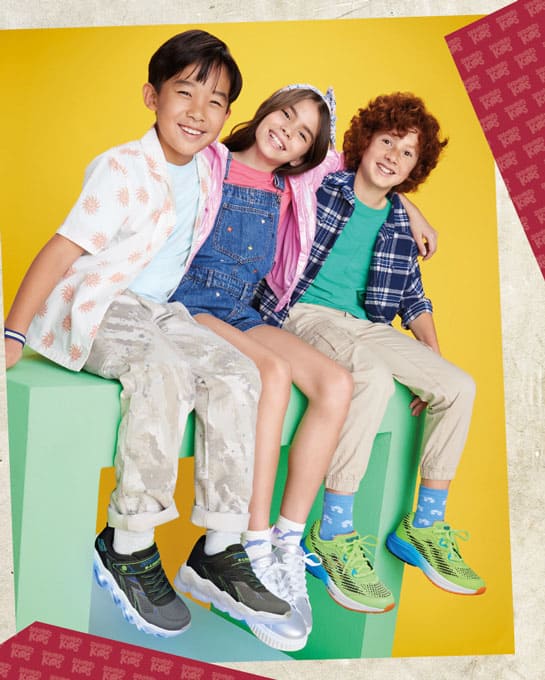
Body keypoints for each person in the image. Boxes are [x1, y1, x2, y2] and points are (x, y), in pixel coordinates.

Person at [3, 30, 292, 639]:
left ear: (227, 118)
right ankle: (128, 544)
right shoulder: (122, 168)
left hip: (164, 310)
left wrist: (405, 204)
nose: (198, 112)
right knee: (163, 373)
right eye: (184, 92)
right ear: (151, 96)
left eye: (215, 102)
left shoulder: (212, 164)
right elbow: (63, 249)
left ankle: (219, 547)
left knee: (239, 375)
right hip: (101, 303)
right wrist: (13, 332)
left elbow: (312, 160)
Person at [170, 85, 438, 650]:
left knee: (337, 384)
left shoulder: (297, 184)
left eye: (302, 135)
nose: (287, 134)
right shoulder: (211, 159)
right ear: (263, 111)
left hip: (243, 310)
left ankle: (288, 543)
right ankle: (253, 545)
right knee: (271, 372)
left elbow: (363, 169)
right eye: (284, 117)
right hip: (188, 302)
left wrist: (411, 207)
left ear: (305, 154)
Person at [254, 92, 486, 616]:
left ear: (415, 168)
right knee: (372, 377)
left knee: (459, 385)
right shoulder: (325, 184)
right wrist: (410, 203)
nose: (392, 157)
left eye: (407, 153)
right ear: (364, 143)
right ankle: (332, 531)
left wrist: (433, 359)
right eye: (386, 142)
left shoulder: (400, 222)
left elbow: (413, 296)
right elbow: (304, 156)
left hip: (367, 325)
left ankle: (424, 524)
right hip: (304, 313)